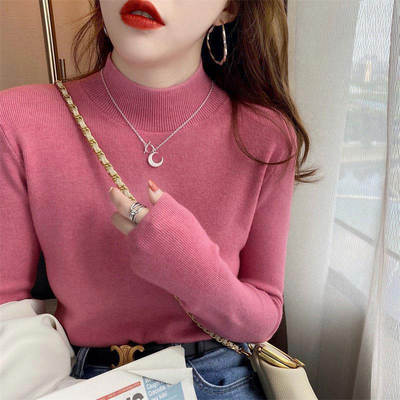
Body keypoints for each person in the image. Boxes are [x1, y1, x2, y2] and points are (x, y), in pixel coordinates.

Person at [0, 0, 319, 398]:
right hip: (75, 382)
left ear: (230, 8)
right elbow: (6, 308)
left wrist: (190, 267)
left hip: (217, 379)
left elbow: (263, 318)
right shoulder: (18, 119)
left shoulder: (264, 135)